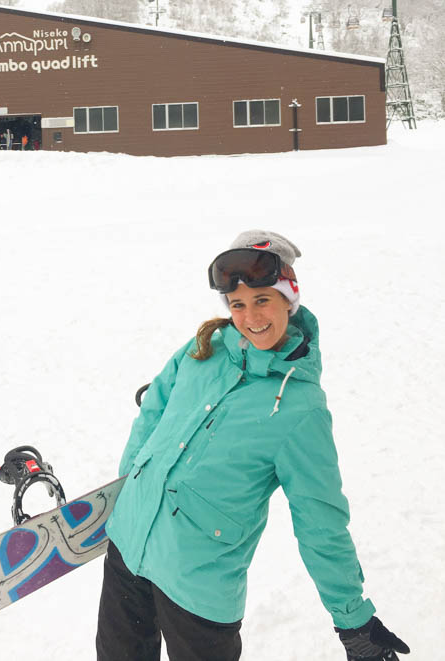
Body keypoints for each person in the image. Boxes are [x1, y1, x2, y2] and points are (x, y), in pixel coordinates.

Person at [96, 230, 410, 661]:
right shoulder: (203, 348)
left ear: (288, 300)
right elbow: (155, 408)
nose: (250, 316)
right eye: (237, 304)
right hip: (128, 549)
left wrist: (352, 619)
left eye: (262, 299)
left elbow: (321, 522)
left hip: (199, 585)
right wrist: (133, 481)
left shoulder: (301, 409)